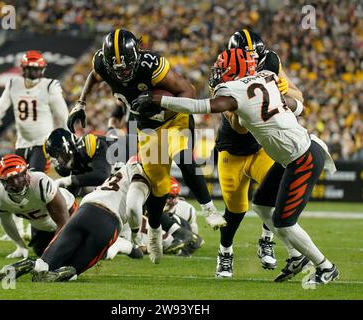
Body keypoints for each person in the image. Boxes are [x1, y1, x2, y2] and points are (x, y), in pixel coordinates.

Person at [133, 48, 339, 285]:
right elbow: (299, 107)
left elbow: (200, 107)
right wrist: (288, 106)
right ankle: (297, 257)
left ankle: (325, 267)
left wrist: (159, 99)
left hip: (302, 158)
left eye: (224, 68)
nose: (219, 72)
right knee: (261, 205)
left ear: (236, 70)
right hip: (295, 153)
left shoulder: (234, 90)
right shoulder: (266, 78)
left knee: (284, 221)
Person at [67, 28, 225, 264]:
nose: (123, 73)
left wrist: (159, 104)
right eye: (116, 69)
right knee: (158, 186)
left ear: (137, 54)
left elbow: (189, 92)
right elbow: (93, 75)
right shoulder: (101, 63)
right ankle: (153, 233)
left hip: (174, 119)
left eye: (127, 66)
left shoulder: (151, 65)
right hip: (147, 129)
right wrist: (80, 104)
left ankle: (209, 208)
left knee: (184, 158)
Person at [211, 29, 305, 277]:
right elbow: (239, 128)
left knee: (272, 196)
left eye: (256, 58)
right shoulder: (226, 71)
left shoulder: (270, 61)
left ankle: (266, 239)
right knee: (235, 210)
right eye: (248, 58)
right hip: (232, 150)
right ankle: (225, 252)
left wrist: (282, 91)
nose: (254, 63)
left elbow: (298, 96)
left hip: (261, 147)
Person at [0, 160, 150, 282]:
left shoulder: (124, 170)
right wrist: (137, 235)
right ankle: (64, 273)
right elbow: (133, 207)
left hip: (85, 209)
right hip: (109, 220)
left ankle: (33, 264)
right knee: (73, 269)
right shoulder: (146, 176)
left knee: (45, 264)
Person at [0, 50, 69, 172]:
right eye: (30, 69)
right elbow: (0, 105)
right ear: (23, 69)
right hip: (21, 143)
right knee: (17, 179)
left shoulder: (49, 86)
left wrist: (67, 138)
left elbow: (63, 115)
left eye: (36, 69)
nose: (34, 73)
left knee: (35, 177)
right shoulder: (13, 84)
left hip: (42, 144)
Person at [0, 154, 75, 257]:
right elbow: (6, 222)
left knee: (75, 251)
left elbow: (63, 222)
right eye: (10, 180)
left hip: (69, 214)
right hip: (42, 225)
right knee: (40, 252)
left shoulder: (41, 183)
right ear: (2, 181)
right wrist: (20, 246)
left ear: (26, 172)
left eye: (18, 177)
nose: (16, 183)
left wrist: (54, 252)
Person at [43, 128, 115, 194]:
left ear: (67, 147)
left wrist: (68, 180)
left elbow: (102, 176)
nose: (59, 163)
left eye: (58, 157)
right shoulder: (75, 159)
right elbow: (71, 192)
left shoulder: (89, 144)